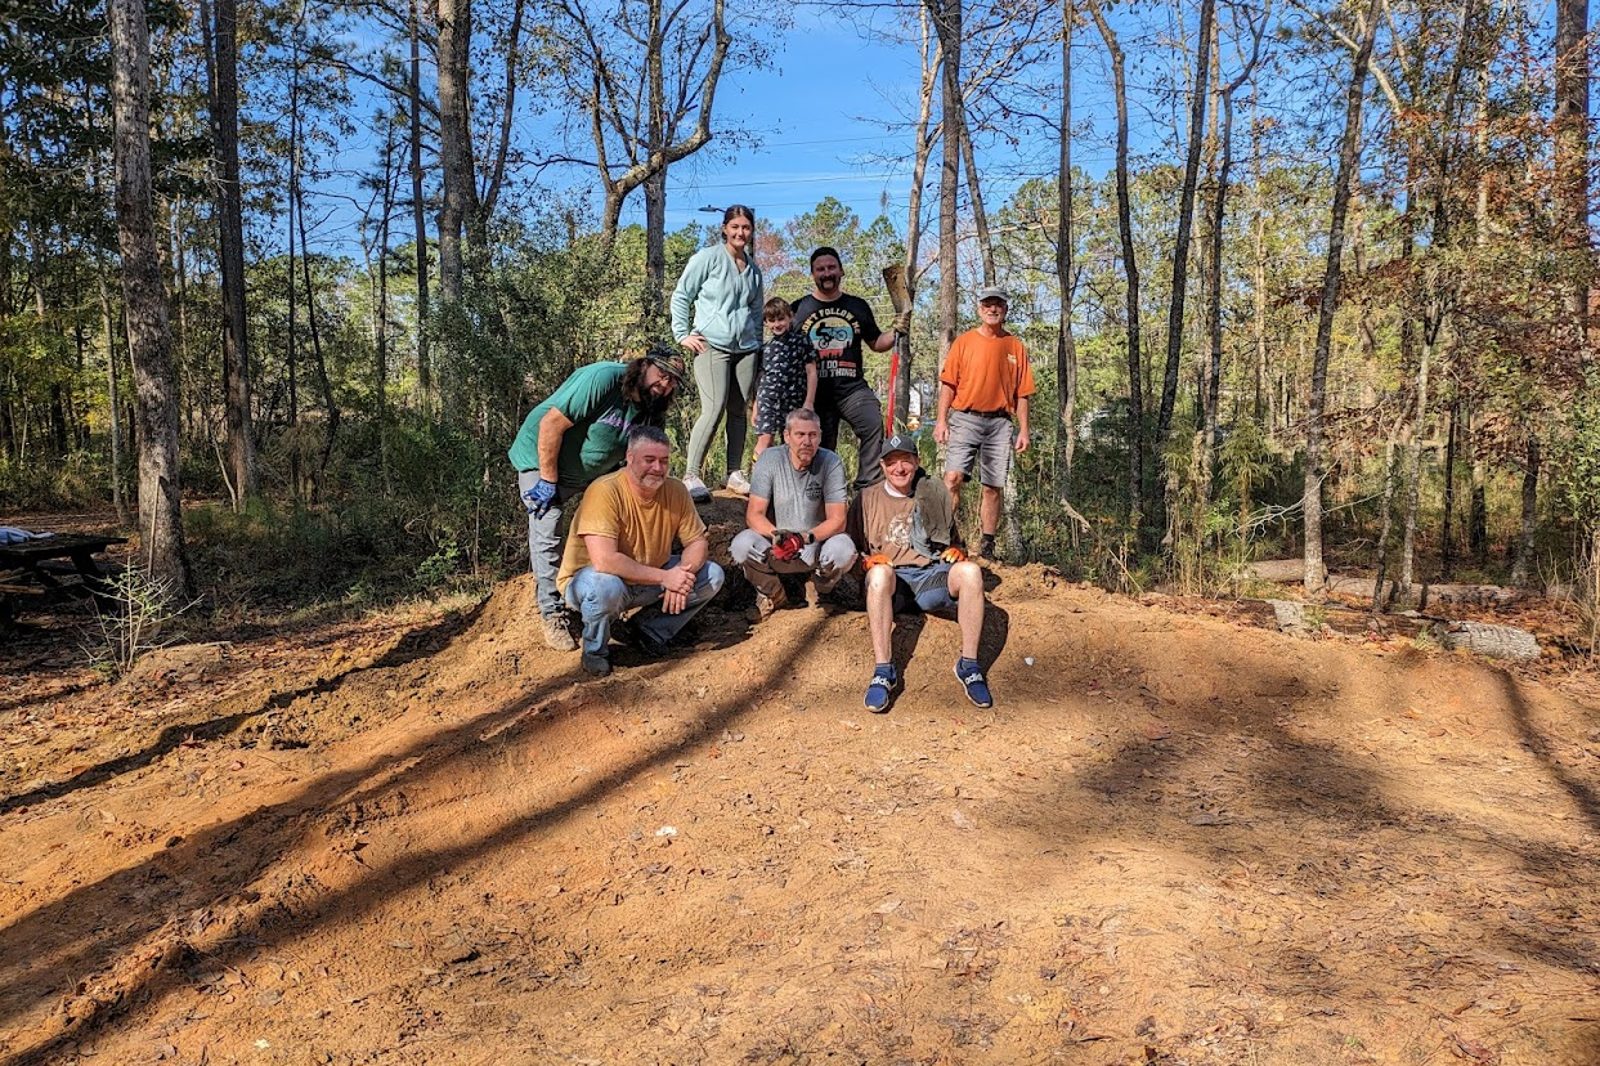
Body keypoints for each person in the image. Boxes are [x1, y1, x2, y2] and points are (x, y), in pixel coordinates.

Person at [509, 348, 687, 651]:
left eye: (673, 381)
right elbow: (551, 424)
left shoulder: (652, 410)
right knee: (547, 529)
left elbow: (643, 459)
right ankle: (552, 613)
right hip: (543, 461)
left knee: (607, 533)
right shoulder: (603, 379)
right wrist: (547, 480)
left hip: (593, 474)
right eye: (662, 374)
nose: (666, 384)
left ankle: (599, 603)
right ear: (644, 365)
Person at [556, 426, 726, 677]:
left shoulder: (676, 490)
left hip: (649, 578)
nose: (658, 468)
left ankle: (648, 630)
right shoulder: (605, 491)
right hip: (593, 582)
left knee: (712, 575)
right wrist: (666, 578)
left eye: (664, 461)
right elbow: (604, 561)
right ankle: (595, 650)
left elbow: (697, 542)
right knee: (605, 587)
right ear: (630, 457)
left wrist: (681, 574)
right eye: (649, 460)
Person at [846, 432, 993, 713]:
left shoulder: (932, 493)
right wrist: (865, 562)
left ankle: (969, 665)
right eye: (892, 462)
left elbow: (954, 543)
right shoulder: (866, 499)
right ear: (882, 466)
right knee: (878, 575)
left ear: (916, 462)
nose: (899, 468)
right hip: (892, 585)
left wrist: (957, 552)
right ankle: (883, 670)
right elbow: (850, 550)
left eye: (906, 461)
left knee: (971, 572)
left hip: (929, 579)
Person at [790, 246, 908, 493]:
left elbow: (876, 343)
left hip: (852, 389)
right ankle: (819, 492)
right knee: (819, 443)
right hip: (815, 394)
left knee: (872, 422)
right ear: (812, 274)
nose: (826, 273)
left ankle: (868, 487)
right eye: (820, 269)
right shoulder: (798, 309)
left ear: (841, 271)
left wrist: (896, 330)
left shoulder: (857, 306)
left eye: (831, 267)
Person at [671, 204, 764, 503]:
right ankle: (691, 474)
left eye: (746, 227)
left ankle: (734, 473)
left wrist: (758, 346)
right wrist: (682, 334)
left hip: (746, 348)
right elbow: (682, 294)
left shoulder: (753, 270)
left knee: (738, 411)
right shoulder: (707, 258)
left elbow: (757, 311)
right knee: (713, 408)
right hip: (712, 344)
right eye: (735, 227)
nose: (740, 232)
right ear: (725, 228)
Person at [934, 286, 1035, 561]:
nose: (993, 309)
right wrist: (941, 420)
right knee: (952, 478)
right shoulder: (964, 342)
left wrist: (1024, 429)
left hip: (1000, 423)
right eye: (987, 304)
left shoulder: (1015, 346)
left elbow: (1023, 392)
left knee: (992, 486)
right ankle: (942, 538)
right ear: (979, 309)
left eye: (998, 305)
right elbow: (948, 384)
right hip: (965, 418)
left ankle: (988, 545)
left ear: (1005, 309)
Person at [730, 408, 857, 621]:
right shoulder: (769, 459)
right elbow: (754, 514)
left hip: (815, 547)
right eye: (800, 434)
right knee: (741, 545)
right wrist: (778, 536)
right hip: (776, 545)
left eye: (812, 435)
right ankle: (773, 593)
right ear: (787, 436)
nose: (807, 441)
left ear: (820, 437)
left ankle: (820, 588)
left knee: (844, 549)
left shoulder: (831, 462)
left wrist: (804, 538)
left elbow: (838, 519)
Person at [750, 297, 817, 463]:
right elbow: (761, 379)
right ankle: (760, 481)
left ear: (790, 317)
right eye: (771, 321)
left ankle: (790, 482)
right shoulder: (765, 348)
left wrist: (809, 402)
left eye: (781, 319)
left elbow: (812, 372)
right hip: (768, 400)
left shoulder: (802, 342)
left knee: (792, 442)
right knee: (765, 440)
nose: (777, 324)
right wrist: (756, 406)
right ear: (766, 323)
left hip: (793, 400)